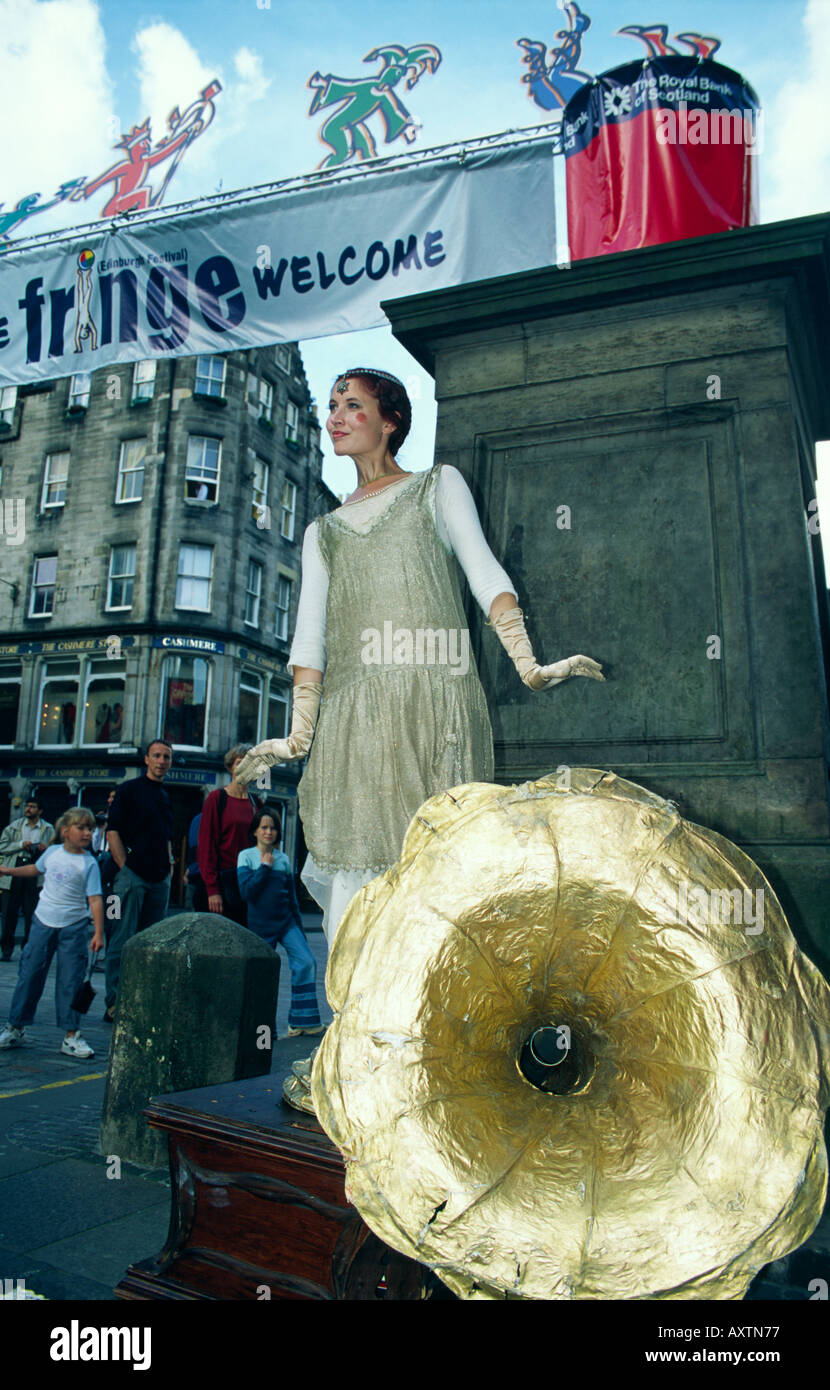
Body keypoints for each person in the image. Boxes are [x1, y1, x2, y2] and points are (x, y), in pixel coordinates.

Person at [234, 367, 604, 945]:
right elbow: (310, 642)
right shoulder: (320, 532)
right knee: (360, 914)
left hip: (436, 713)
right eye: (332, 405)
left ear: (390, 422)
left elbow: (486, 575)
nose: (335, 416)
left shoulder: (438, 485)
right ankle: (365, 1030)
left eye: (352, 405)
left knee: (443, 892)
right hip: (354, 728)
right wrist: (297, 737)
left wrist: (528, 664)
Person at [0, 807, 104, 1059]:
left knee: (71, 981)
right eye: (81, 828)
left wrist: (98, 932)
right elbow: (36, 869)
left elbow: (96, 900)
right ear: (65, 831)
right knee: (30, 973)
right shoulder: (53, 853)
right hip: (42, 921)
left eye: (90, 829)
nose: (87, 833)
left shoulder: (89, 863)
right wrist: (9, 871)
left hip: (74, 926)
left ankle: (71, 1035)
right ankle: (16, 1026)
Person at [237, 809, 324, 1037]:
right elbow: (247, 892)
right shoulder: (246, 857)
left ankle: (302, 1022)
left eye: (273, 828)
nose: (268, 832)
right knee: (264, 977)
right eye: (264, 827)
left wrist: (299, 928)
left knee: (306, 961)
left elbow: (292, 899)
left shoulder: (284, 859)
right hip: (260, 927)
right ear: (255, 831)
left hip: (286, 923)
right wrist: (265, 867)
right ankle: (263, 1032)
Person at [104, 740, 174, 1022]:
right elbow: (113, 832)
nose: (161, 761)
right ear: (146, 759)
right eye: (156, 755)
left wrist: (168, 867)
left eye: (166, 757)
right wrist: (126, 869)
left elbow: (166, 836)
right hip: (132, 877)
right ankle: (114, 1001)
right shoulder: (128, 790)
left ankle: (141, 999)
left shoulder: (166, 795)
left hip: (159, 879)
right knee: (121, 938)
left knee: (152, 943)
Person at [196, 745, 258, 926]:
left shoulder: (257, 803)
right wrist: (212, 889)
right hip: (222, 883)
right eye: (240, 763)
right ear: (231, 767)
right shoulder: (217, 799)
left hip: (247, 883)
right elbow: (206, 846)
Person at [0, 798, 56, 961]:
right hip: (16, 868)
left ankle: (27, 948)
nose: (28, 809)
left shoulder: (48, 829)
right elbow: (2, 846)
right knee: (9, 912)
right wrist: (20, 844)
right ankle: (6, 949)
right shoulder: (15, 826)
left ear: (40, 811)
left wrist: (45, 848)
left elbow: (55, 849)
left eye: (32, 807)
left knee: (31, 911)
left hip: (35, 869)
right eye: (27, 806)